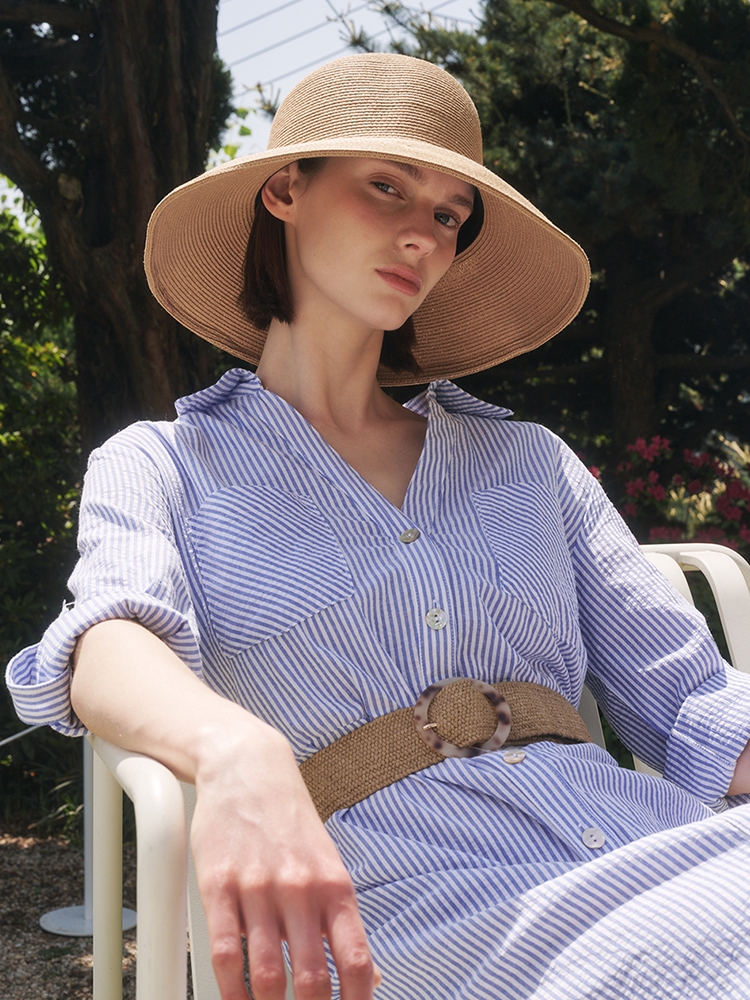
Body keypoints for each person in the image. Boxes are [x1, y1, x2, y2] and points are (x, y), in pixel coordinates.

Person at [6, 52, 750, 1000]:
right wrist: (236, 751)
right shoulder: (163, 464)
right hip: (406, 903)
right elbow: (107, 645)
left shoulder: (530, 462)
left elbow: (691, 702)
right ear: (285, 189)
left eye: (447, 215)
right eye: (386, 188)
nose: (421, 236)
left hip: (657, 846)